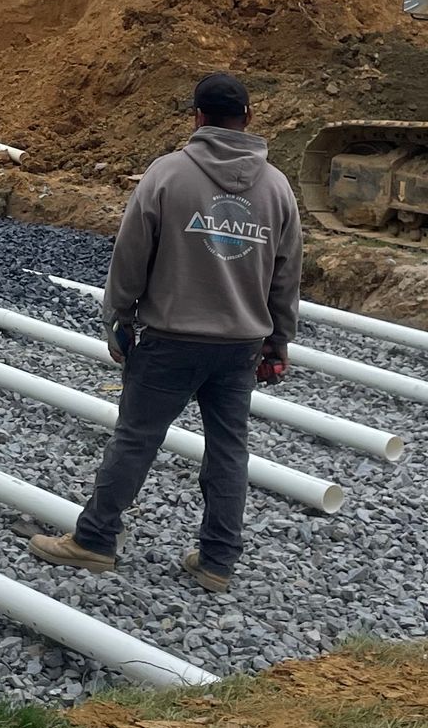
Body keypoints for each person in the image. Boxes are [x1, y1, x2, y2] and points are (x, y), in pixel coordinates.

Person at [28, 69, 302, 595]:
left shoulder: (167, 175)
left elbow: (130, 256)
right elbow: (287, 273)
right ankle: (218, 561)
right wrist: (278, 341)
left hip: (170, 340)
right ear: (248, 118)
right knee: (228, 449)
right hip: (240, 346)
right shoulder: (276, 187)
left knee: (135, 440)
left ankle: (95, 541)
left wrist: (118, 318)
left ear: (197, 117)